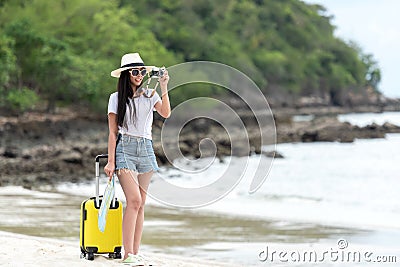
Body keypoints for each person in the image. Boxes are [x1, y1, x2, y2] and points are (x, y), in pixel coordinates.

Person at [104, 53, 171, 265]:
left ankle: (135, 252)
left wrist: (163, 86)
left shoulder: (150, 95)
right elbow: (113, 133)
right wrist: (111, 161)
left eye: (142, 71)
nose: (139, 75)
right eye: (135, 72)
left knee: (141, 204)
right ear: (126, 74)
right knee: (133, 200)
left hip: (146, 149)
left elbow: (166, 113)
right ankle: (127, 254)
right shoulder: (115, 98)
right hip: (125, 148)